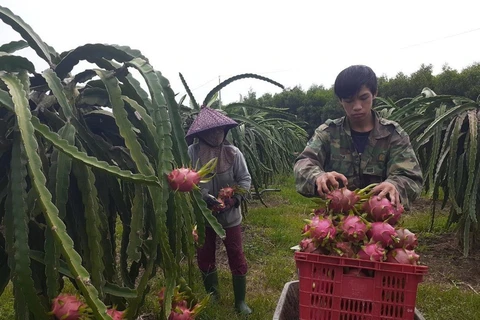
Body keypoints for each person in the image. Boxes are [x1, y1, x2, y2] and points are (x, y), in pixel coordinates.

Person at [294, 65, 423, 209]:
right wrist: (318, 177)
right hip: (336, 219)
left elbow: (411, 177)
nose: (357, 106)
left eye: (363, 98)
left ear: (374, 94)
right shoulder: (328, 133)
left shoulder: (393, 134)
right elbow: (304, 163)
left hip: (383, 220)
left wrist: (395, 185)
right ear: (340, 101)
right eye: (349, 101)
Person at [185, 106, 253, 315]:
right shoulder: (192, 152)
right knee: (205, 255)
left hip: (230, 216)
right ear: (201, 133)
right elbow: (188, 180)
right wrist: (204, 198)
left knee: (236, 254)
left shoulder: (233, 152)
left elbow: (245, 179)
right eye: (212, 131)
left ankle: (240, 301)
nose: (217, 134)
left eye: (220, 129)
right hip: (203, 216)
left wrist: (233, 199)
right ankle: (212, 297)